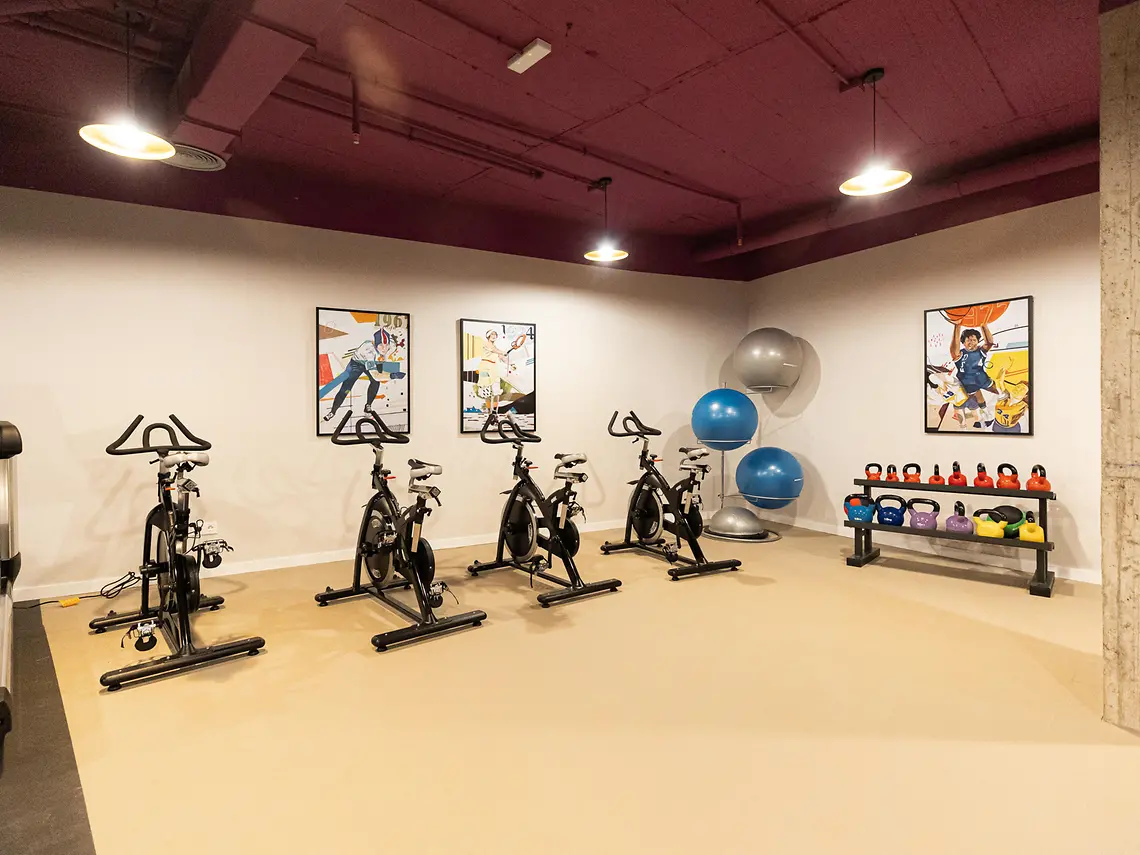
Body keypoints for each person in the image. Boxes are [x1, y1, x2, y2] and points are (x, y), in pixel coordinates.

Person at [322, 329, 400, 422]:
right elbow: (375, 375)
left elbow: (390, 350)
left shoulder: (391, 346)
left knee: (375, 382)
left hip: (372, 361)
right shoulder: (368, 350)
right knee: (346, 388)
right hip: (356, 364)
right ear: (375, 344)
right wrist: (392, 376)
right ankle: (332, 411)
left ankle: (368, 406)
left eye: (386, 345)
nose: (384, 349)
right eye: (381, 345)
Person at [949, 323, 998, 429]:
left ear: (977, 341)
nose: (971, 342)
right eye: (968, 340)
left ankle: (987, 414)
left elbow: (989, 342)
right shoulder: (960, 354)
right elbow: (953, 350)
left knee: (997, 391)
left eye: (974, 340)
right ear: (963, 342)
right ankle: (965, 426)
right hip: (966, 382)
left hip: (981, 378)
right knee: (963, 404)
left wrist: (983, 324)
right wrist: (957, 326)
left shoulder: (981, 351)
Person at [476, 330, 523, 416]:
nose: (494, 336)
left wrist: (511, 364)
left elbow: (501, 357)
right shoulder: (487, 344)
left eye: (495, 334)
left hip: (494, 369)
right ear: (488, 336)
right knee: (487, 390)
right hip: (485, 367)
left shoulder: (495, 347)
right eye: (492, 334)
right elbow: (495, 350)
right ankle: (489, 411)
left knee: (496, 391)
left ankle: (495, 411)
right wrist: (503, 352)